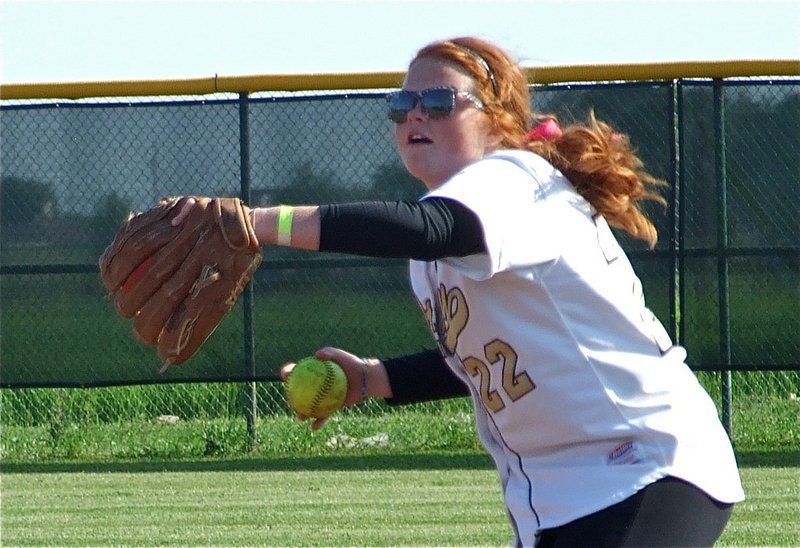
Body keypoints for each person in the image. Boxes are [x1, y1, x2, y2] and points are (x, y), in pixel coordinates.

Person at [177, 36, 745, 546]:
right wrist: (373, 379)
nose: (414, 115)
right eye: (401, 105)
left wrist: (260, 223)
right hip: (562, 497)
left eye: (440, 102)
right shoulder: (438, 253)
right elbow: (483, 361)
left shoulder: (511, 180)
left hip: (643, 464)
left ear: (497, 123)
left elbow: (432, 228)